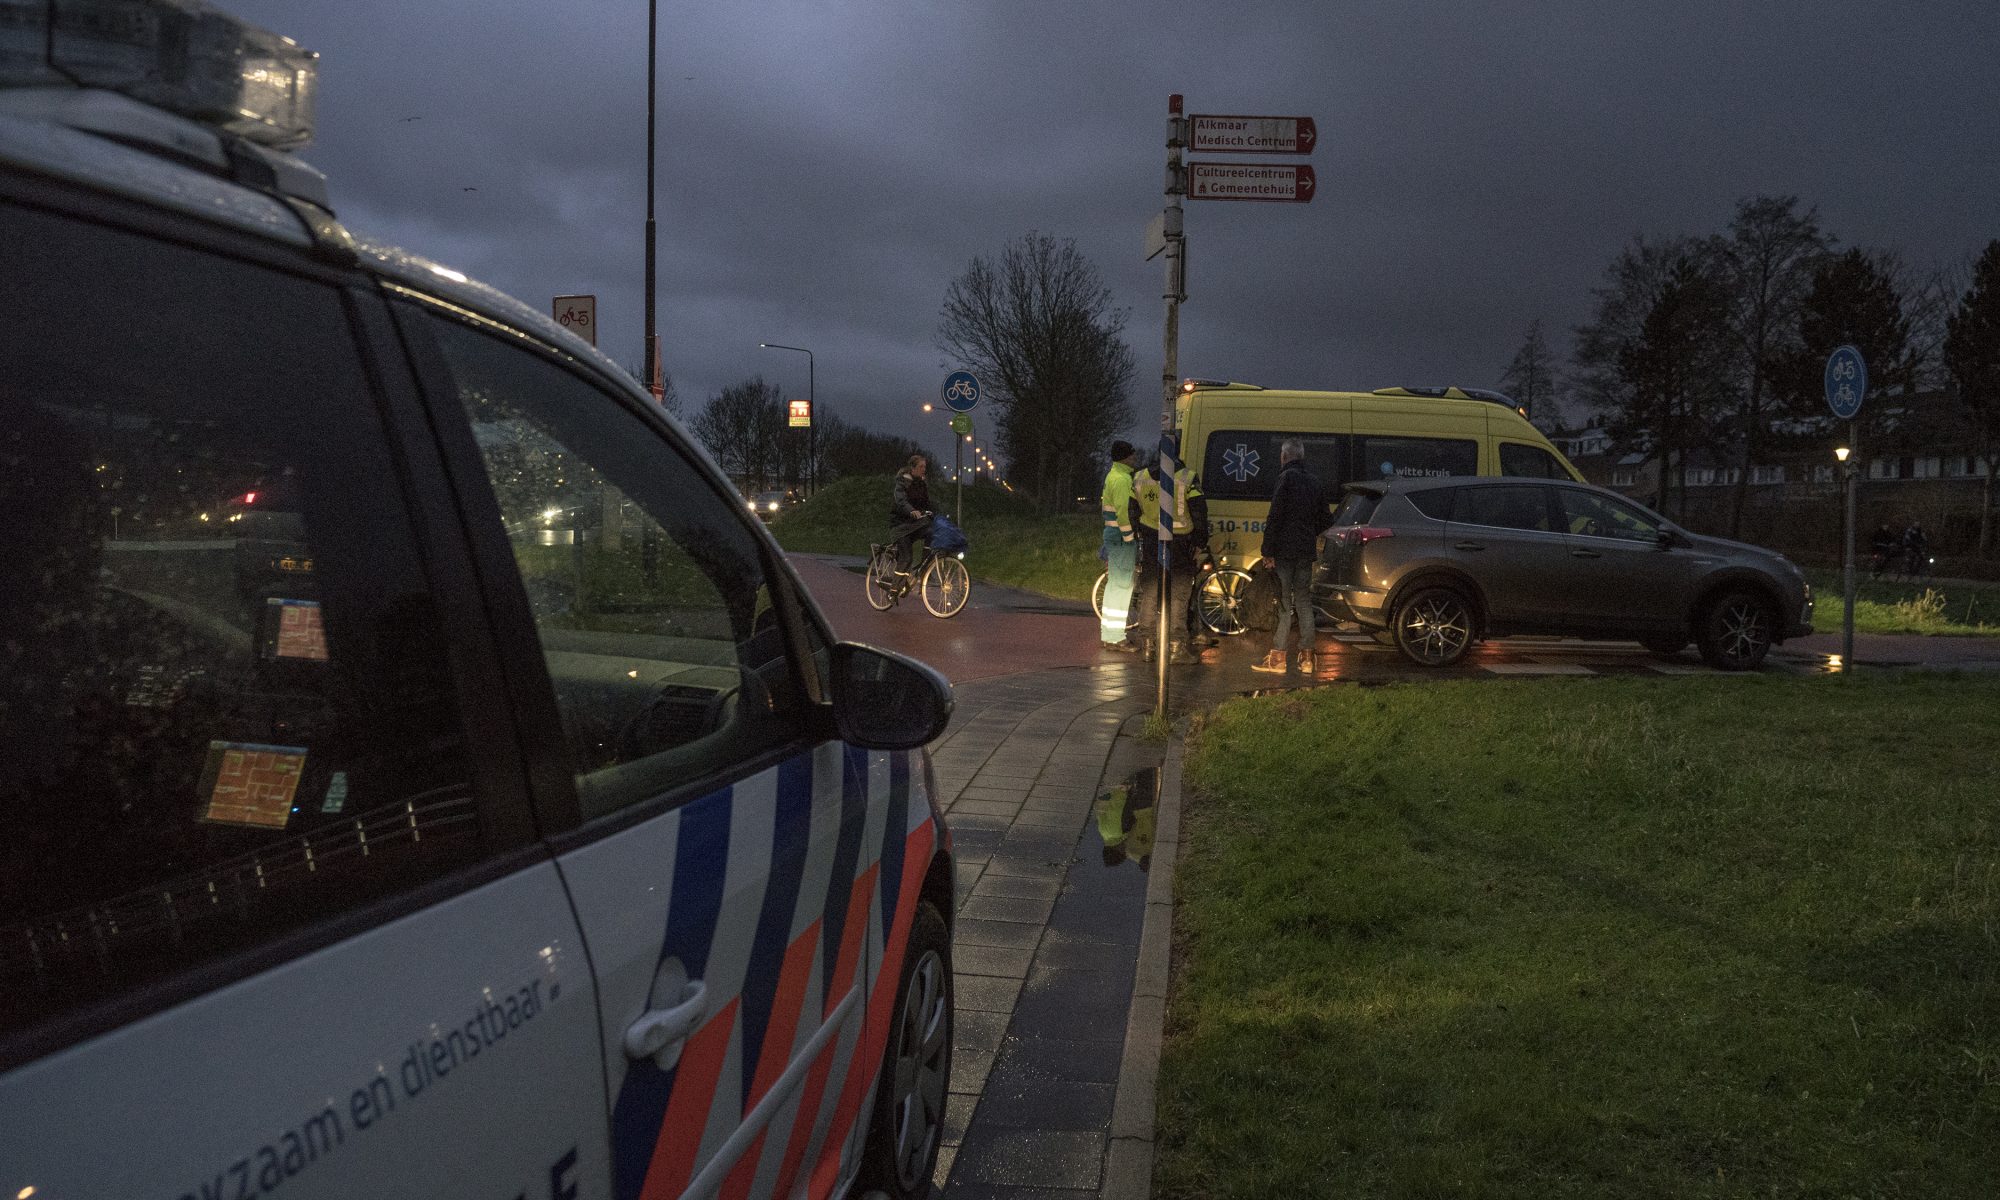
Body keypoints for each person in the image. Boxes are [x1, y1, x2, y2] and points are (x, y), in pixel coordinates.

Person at [1252, 439, 1329, 674]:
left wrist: (1268, 551)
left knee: (1284, 601)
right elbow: (1327, 519)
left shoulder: (1284, 479)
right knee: (1304, 601)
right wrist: (1308, 534)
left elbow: (1275, 517)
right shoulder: (1315, 481)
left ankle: (1277, 658)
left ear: (1285, 456)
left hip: (1284, 552)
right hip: (1306, 552)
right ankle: (1307, 659)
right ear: (1302, 456)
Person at [1099, 441, 1144, 651]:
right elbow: (1124, 512)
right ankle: (1116, 637)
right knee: (1123, 586)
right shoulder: (1123, 479)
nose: (1135, 458)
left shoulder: (1112, 475)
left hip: (1113, 535)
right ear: (1125, 457)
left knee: (1114, 586)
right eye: (1132, 455)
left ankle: (1110, 634)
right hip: (1120, 537)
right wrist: (1129, 537)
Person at [1128, 452, 1165, 656]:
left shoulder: (1140, 477)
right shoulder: (1184, 475)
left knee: (1149, 592)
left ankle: (1148, 643)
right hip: (1177, 538)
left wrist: (1137, 531)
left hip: (1149, 535)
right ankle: (1175, 643)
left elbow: (1131, 508)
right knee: (1177, 593)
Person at [887, 454, 932, 576]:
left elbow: (927, 503)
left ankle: (924, 567)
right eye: (921, 466)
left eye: (925, 466)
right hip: (900, 526)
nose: (924, 469)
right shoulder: (902, 482)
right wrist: (911, 510)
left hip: (914, 525)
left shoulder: (922, 484)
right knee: (906, 559)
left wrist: (937, 515)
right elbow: (901, 501)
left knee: (932, 532)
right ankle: (893, 592)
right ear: (912, 468)